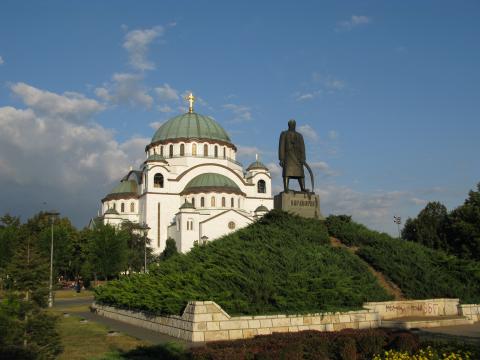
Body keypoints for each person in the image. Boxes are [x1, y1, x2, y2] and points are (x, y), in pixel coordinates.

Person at [278, 119, 306, 192]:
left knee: (300, 173)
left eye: (294, 124)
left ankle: (303, 188)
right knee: (287, 172)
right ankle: (286, 188)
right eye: (291, 124)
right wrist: (281, 158)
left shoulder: (299, 135)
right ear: (289, 125)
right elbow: (281, 146)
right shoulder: (284, 134)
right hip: (288, 156)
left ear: (295, 125)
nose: (292, 125)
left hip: (298, 157)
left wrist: (303, 158)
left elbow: (302, 148)